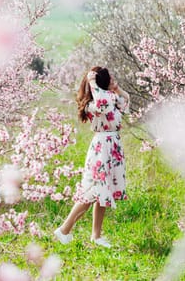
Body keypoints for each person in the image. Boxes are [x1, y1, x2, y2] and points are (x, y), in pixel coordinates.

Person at [54, 66, 130, 248]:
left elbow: (126, 102)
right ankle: (64, 230)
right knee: (91, 192)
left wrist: (117, 88)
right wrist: (92, 82)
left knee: (103, 193)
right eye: (110, 78)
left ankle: (96, 236)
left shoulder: (110, 98)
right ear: (102, 83)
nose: (112, 80)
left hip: (111, 147)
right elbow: (103, 105)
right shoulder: (94, 104)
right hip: (102, 148)